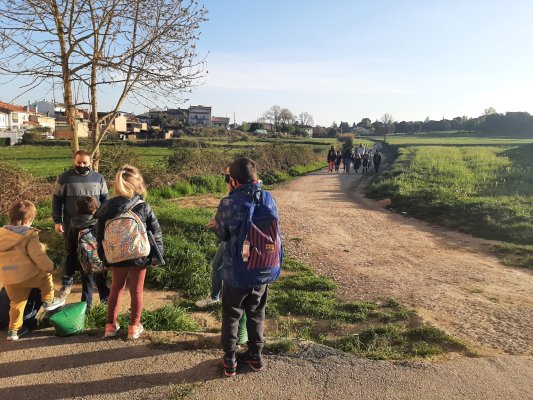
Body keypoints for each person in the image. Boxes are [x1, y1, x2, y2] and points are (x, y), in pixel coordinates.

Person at [213, 157, 282, 377]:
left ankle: (230, 359)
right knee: (256, 313)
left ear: (233, 181)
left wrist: (217, 225)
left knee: (231, 315)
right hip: (263, 267)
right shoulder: (269, 199)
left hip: (237, 271)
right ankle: (256, 355)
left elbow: (223, 234)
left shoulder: (229, 203)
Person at [95, 165, 163, 340]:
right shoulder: (143, 207)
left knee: (116, 289)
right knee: (136, 290)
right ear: (138, 184)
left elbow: (100, 236)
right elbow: (156, 232)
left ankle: (110, 325)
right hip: (139, 255)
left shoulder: (106, 207)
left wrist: (105, 258)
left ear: (117, 185)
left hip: (116, 256)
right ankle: (134, 326)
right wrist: (157, 255)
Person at [0, 200, 65, 341]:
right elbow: (39, 257)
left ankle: (13, 331)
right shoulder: (29, 236)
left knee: (16, 304)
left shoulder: (2, 235)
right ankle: (49, 300)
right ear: (29, 220)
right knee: (45, 274)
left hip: (9, 278)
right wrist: (51, 267)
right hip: (27, 276)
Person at [53, 149, 109, 300]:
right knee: (70, 252)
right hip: (71, 224)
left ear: (90, 162)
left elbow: (105, 201)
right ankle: (67, 283)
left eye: (85, 162)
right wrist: (57, 220)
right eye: (79, 162)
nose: (82, 165)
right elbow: (57, 200)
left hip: (94, 225)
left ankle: (101, 283)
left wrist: (105, 219)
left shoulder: (99, 178)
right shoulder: (64, 178)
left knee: (96, 254)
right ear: (74, 161)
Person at [195, 165, 232, 308]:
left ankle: (216, 297)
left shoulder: (231, 198)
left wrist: (217, 224)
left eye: (228, 177)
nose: (226, 180)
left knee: (218, 265)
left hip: (231, 240)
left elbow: (224, 232)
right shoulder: (259, 194)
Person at [65, 196, 109, 311]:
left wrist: (69, 269)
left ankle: (86, 311)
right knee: (102, 284)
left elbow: (70, 247)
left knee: (87, 285)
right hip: (100, 258)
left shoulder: (73, 224)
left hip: (83, 261)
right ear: (95, 208)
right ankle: (108, 308)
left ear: (77, 209)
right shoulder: (100, 222)